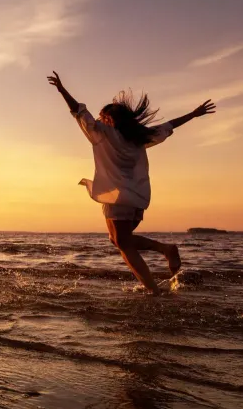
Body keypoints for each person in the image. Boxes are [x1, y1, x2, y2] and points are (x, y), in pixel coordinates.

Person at [47, 70, 216, 293]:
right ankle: (160, 261)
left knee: (124, 244)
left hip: (118, 196)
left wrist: (62, 90)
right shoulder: (138, 136)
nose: (97, 119)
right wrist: (193, 114)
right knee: (117, 240)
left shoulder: (101, 133)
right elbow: (169, 126)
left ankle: (156, 280)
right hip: (137, 197)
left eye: (101, 116)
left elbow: (78, 110)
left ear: (107, 118)